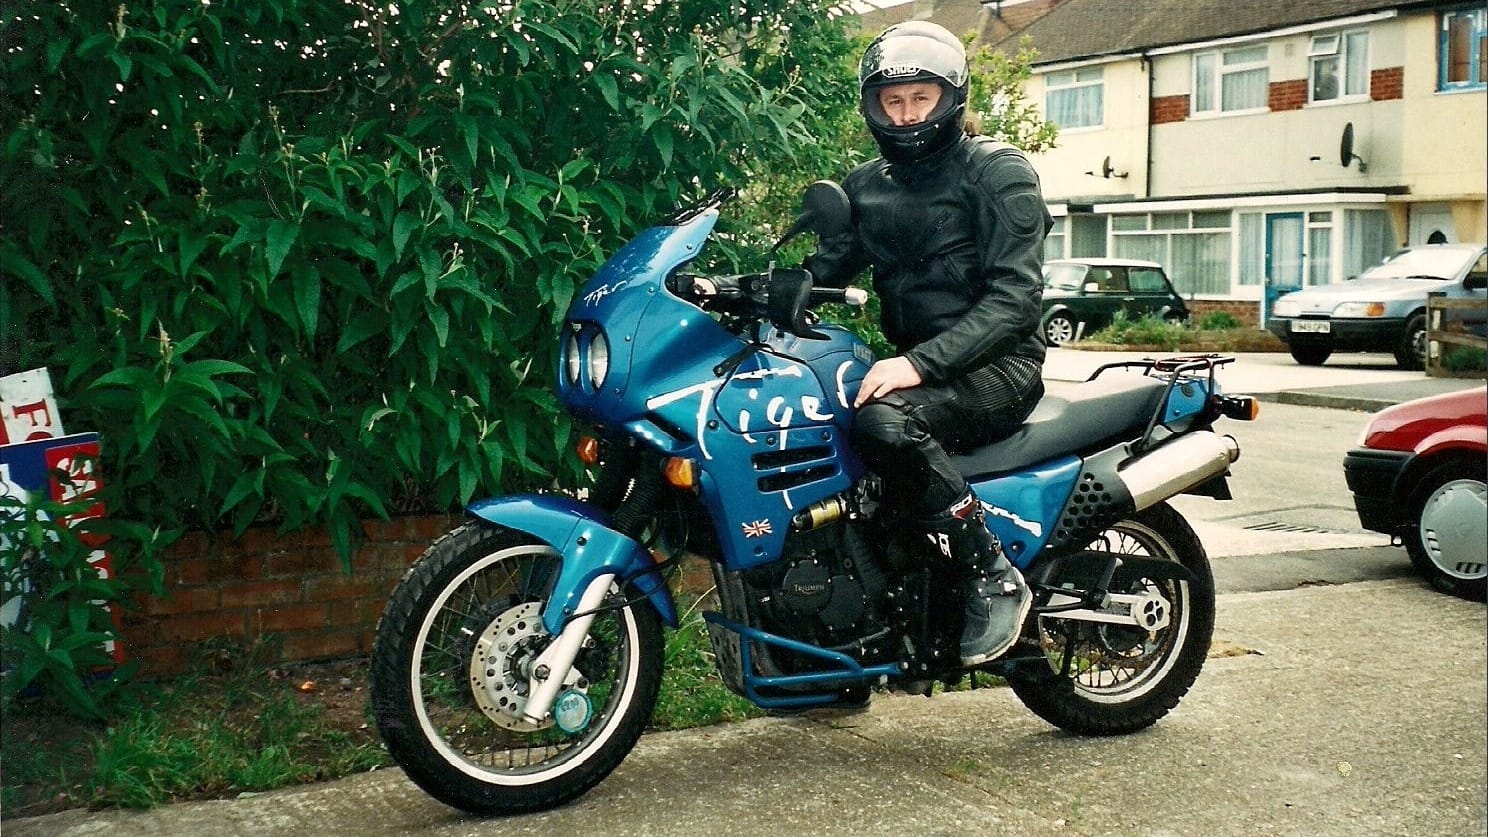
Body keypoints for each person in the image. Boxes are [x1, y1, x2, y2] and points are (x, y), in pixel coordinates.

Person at [805, 21, 1052, 667]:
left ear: (951, 97)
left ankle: (991, 573)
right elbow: (826, 272)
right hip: (921, 367)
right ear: (874, 106)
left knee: (884, 423)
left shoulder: (996, 171)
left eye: (921, 97)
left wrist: (919, 363)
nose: (907, 113)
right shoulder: (866, 185)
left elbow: (1016, 299)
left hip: (1001, 363)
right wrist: (744, 291)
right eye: (893, 101)